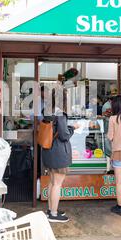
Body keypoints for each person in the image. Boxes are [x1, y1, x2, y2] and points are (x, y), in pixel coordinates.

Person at [42, 87, 78, 223]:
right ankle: (53, 214)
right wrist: (73, 128)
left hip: (49, 151)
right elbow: (64, 136)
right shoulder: (60, 114)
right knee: (57, 184)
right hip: (58, 152)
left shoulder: (47, 111)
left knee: (52, 182)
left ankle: (51, 209)